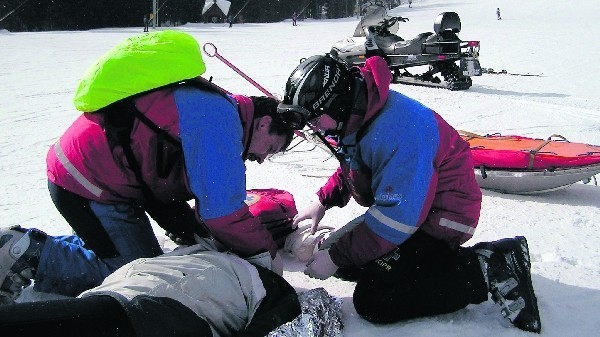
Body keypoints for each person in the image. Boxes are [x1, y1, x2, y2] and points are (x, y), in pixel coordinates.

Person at [278, 54, 541, 333]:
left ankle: (488, 267)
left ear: (338, 102)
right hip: (415, 208)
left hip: (443, 216)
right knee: (342, 256)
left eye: (316, 119)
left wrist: (337, 257)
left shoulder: (399, 130)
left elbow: (398, 219)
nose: (315, 128)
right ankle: (417, 266)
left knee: (374, 300)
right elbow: (360, 162)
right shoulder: (360, 113)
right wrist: (324, 199)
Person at [0, 79, 297, 302]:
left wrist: (189, 227)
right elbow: (222, 210)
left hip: (98, 173)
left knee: (144, 261)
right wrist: (265, 253)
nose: (261, 158)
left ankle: (39, 246)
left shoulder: (219, 109)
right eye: (269, 148)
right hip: (89, 180)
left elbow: (169, 177)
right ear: (264, 123)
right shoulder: (220, 121)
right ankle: (27, 253)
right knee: (135, 276)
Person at [0, 239, 301, 337]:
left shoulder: (182, 251)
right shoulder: (265, 281)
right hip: (160, 315)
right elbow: (291, 315)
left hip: (122, 298)